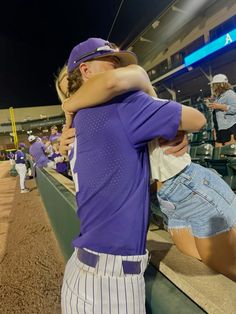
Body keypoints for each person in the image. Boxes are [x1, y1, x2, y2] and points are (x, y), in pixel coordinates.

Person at [56, 37, 206, 313]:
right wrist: (149, 94)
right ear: (86, 71)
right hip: (110, 285)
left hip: (83, 276)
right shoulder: (123, 106)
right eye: (110, 60)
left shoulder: (78, 120)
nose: (117, 67)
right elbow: (198, 119)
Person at [59, 58, 236, 281]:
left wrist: (67, 109)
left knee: (229, 272)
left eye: (75, 90)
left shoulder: (127, 97)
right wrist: (67, 140)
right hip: (167, 201)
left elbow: (198, 119)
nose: (76, 95)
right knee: (209, 273)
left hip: (191, 189)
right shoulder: (97, 119)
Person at [208, 74, 236, 145]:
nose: (212, 87)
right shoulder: (219, 97)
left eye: (213, 85)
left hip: (230, 127)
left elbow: (235, 108)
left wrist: (220, 106)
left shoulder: (229, 93)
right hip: (221, 128)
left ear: (220, 85)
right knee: (224, 152)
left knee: (231, 150)